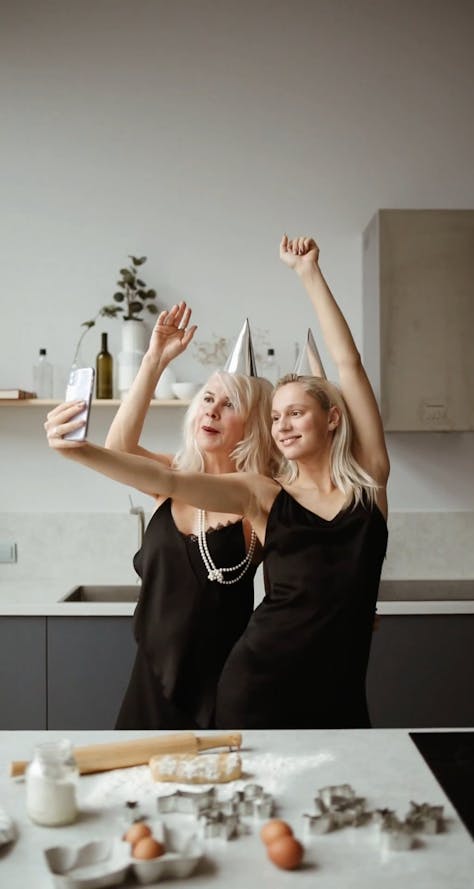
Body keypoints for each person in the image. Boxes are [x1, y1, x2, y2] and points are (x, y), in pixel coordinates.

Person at [45, 235, 390, 728]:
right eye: (276, 417)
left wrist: (309, 273)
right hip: (253, 681)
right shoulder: (263, 493)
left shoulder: (368, 481)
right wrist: (80, 451)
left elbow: (349, 366)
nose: (284, 425)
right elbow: (163, 475)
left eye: (296, 413)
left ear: (333, 419)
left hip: (332, 687)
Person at [46, 303, 278, 730]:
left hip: (225, 680)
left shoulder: (262, 496)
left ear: (255, 425)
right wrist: (153, 361)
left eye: (230, 405)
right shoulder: (170, 476)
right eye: (208, 398)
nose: (212, 410)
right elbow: (119, 448)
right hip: (151, 677)